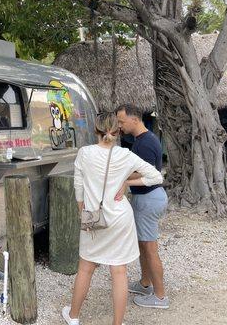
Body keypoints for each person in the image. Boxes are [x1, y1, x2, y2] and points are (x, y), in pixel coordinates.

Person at [62, 112, 163, 325]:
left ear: (96, 130)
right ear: (117, 132)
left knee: (85, 268)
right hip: (120, 218)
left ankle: (73, 317)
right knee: (119, 271)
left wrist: (84, 211)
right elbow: (156, 176)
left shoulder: (85, 153)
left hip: (93, 218)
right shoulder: (126, 155)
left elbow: (78, 186)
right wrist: (126, 183)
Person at [115, 104, 169, 309]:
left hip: (148, 198)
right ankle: (145, 284)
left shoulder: (145, 143)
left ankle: (161, 296)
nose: (119, 126)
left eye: (122, 121)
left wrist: (121, 177)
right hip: (148, 198)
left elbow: (146, 172)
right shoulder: (143, 140)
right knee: (143, 245)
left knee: (150, 247)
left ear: (135, 119)